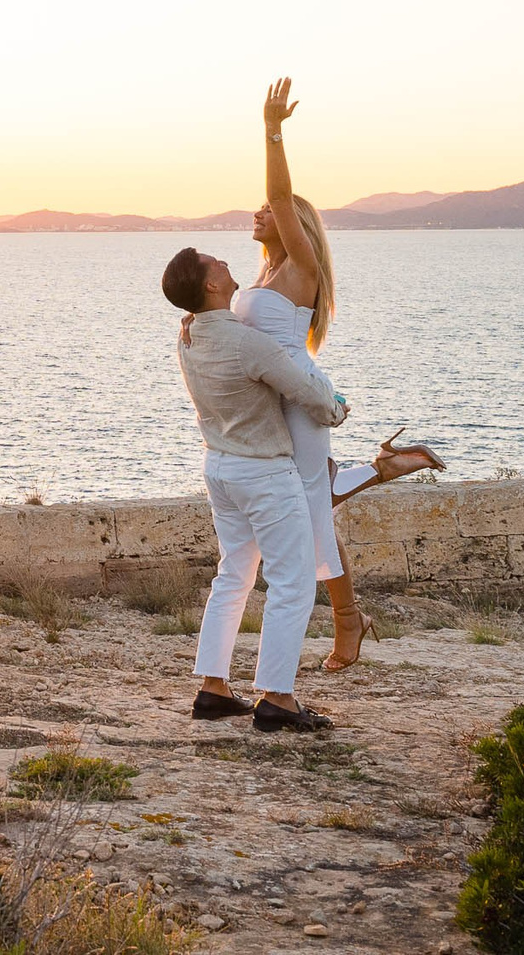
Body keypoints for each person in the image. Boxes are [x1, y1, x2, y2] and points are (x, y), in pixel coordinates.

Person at [232, 77, 443, 672]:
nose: (258, 209)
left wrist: (271, 131)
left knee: (308, 508)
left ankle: (348, 623)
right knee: (306, 497)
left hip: (298, 399)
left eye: (269, 209)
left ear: (292, 223)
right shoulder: (266, 276)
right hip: (270, 399)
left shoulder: (300, 267)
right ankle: (382, 473)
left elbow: (280, 191)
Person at [161, 245, 342, 733]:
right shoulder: (248, 344)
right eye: (212, 262)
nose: (222, 260)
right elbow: (307, 394)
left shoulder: (188, 336)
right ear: (212, 286)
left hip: (219, 468)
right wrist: (337, 408)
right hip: (263, 473)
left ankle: (214, 688)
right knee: (292, 582)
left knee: (233, 577)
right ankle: (277, 697)